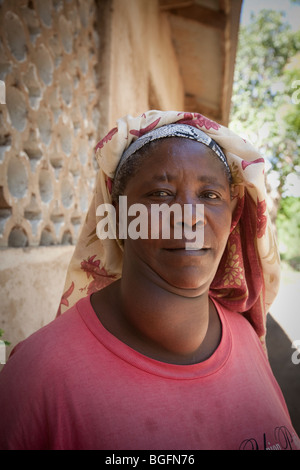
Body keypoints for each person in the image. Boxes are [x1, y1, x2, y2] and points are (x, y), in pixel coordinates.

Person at [0, 110, 299, 450]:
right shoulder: (41, 376)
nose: (189, 217)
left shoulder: (246, 338)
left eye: (209, 195)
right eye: (160, 194)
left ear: (233, 218)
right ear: (118, 218)